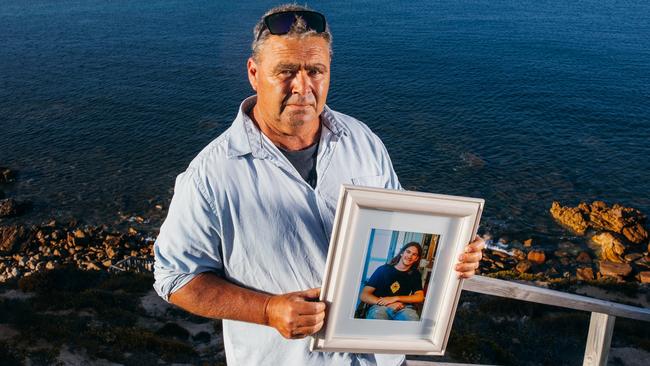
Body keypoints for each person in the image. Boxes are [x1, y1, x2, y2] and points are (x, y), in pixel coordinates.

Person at [153, 4, 485, 365]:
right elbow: (175, 278)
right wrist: (267, 310)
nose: (303, 86)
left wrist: (455, 253)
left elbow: (403, 228)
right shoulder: (210, 174)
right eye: (286, 71)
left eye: (315, 70)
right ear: (253, 72)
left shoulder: (362, 140)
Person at [360, 242, 425, 321]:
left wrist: (395, 298)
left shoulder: (415, 274)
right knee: (378, 320)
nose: (410, 256)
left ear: (416, 258)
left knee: (412, 320)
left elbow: (419, 297)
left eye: (414, 254)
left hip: (403, 308)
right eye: (408, 252)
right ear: (402, 253)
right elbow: (364, 295)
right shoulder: (383, 270)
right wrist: (389, 303)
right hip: (380, 306)